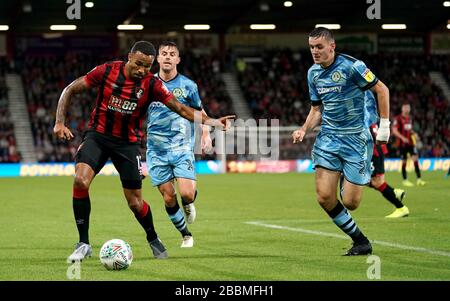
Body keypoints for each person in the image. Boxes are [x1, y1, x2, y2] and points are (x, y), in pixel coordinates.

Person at [53, 41, 233, 263]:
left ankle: (153, 237)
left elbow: (181, 109)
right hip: (97, 136)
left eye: (147, 67)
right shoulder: (107, 70)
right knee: (80, 180)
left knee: (135, 202)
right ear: (129, 57)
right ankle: (83, 243)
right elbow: (70, 89)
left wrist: (213, 121)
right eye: (138, 64)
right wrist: (60, 122)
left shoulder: (152, 84)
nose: (142, 70)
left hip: (127, 144)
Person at [292, 27, 390, 256]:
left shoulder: (353, 67)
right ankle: (360, 241)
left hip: (355, 139)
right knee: (324, 196)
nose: (315, 52)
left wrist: (384, 126)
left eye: (319, 47)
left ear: (332, 46)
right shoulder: (312, 73)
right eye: (311, 47)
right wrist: (304, 129)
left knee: (351, 202)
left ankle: (350, 175)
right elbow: (317, 108)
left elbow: (382, 90)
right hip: (328, 138)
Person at [146, 41, 212, 248]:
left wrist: (206, 134)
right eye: (163, 53)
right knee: (168, 197)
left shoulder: (188, 86)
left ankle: (189, 202)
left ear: (178, 59)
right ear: (157, 58)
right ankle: (186, 234)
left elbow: (200, 112)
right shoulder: (147, 84)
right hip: (156, 151)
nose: (167, 57)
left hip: (181, 147)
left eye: (171, 54)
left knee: (186, 194)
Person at [365, 91, 409, 218]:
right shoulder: (369, 110)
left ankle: (401, 207)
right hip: (376, 149)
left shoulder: (360, 112)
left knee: (373, 182)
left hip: (373, 150)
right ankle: (394, 192)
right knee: (369, 180)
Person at [392, 103, 426, 187]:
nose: (407, 109)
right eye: (405, 107)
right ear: (402, 109)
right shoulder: (398, 118)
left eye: (408, 107)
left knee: (415, 159)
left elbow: (409, 130)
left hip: (411, 143)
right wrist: (403, 138)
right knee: (404, 162)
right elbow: (394, 131)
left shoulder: (409, 118)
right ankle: (405, 180)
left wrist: (415, 134)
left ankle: (419, 179)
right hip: (402, 144)